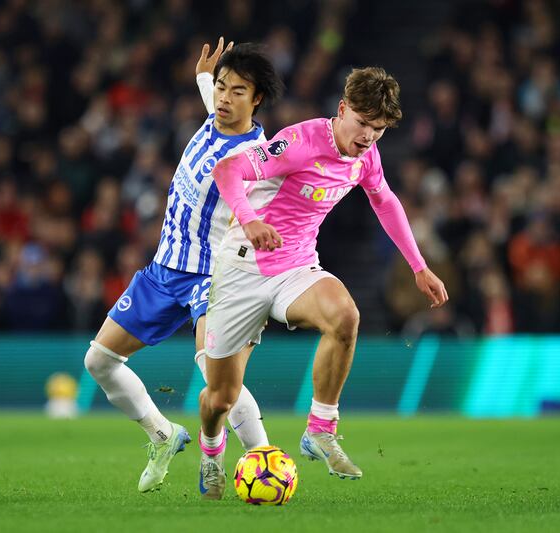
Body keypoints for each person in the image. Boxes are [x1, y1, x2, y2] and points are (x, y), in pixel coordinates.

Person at [198, 67, 448, 499]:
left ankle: (321, 429)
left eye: (379, 129)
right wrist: (251, 220)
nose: (369, 136)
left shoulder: (366, 155)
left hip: (295, 268)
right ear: (342, 109)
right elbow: (227, 171)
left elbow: (384, 199)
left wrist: (418, 265)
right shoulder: (300, 142)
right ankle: (211, 454)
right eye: (363, 124)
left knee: (345, 315)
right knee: (220, 397)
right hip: (242, 269)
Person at [83, 39, 284, 493]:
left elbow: (269, 214)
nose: (224, 98)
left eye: (237, 91)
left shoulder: (259, 159)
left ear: (257, 100)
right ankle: (163, 435)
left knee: (213, 371)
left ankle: (263, 458)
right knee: (99, 360)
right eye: (221, 87)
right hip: (163, 270)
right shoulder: (214, 116)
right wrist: (202, 75)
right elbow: (209, 92)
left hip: (214, 277)